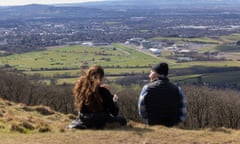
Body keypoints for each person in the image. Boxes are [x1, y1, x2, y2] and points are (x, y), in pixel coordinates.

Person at [138, 62, 187, 127]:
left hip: (153, 124)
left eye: (151, 72)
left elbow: (141, 109)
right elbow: (183, 109)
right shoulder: (177, 89)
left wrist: (147, 118)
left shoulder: (147, 88)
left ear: (156, 73)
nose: (149, 75)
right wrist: (179, 122)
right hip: (172, 126)